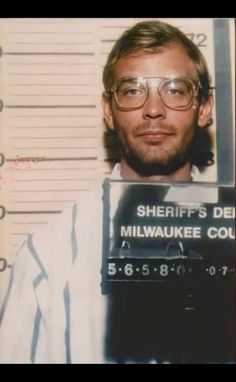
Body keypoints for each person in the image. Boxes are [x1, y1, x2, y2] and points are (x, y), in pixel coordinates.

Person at [0, 19, 220, 363]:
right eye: (133, 90)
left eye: (175, 89)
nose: (153, 109)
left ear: (204, 108)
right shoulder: (46, 258)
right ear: (108, 110)